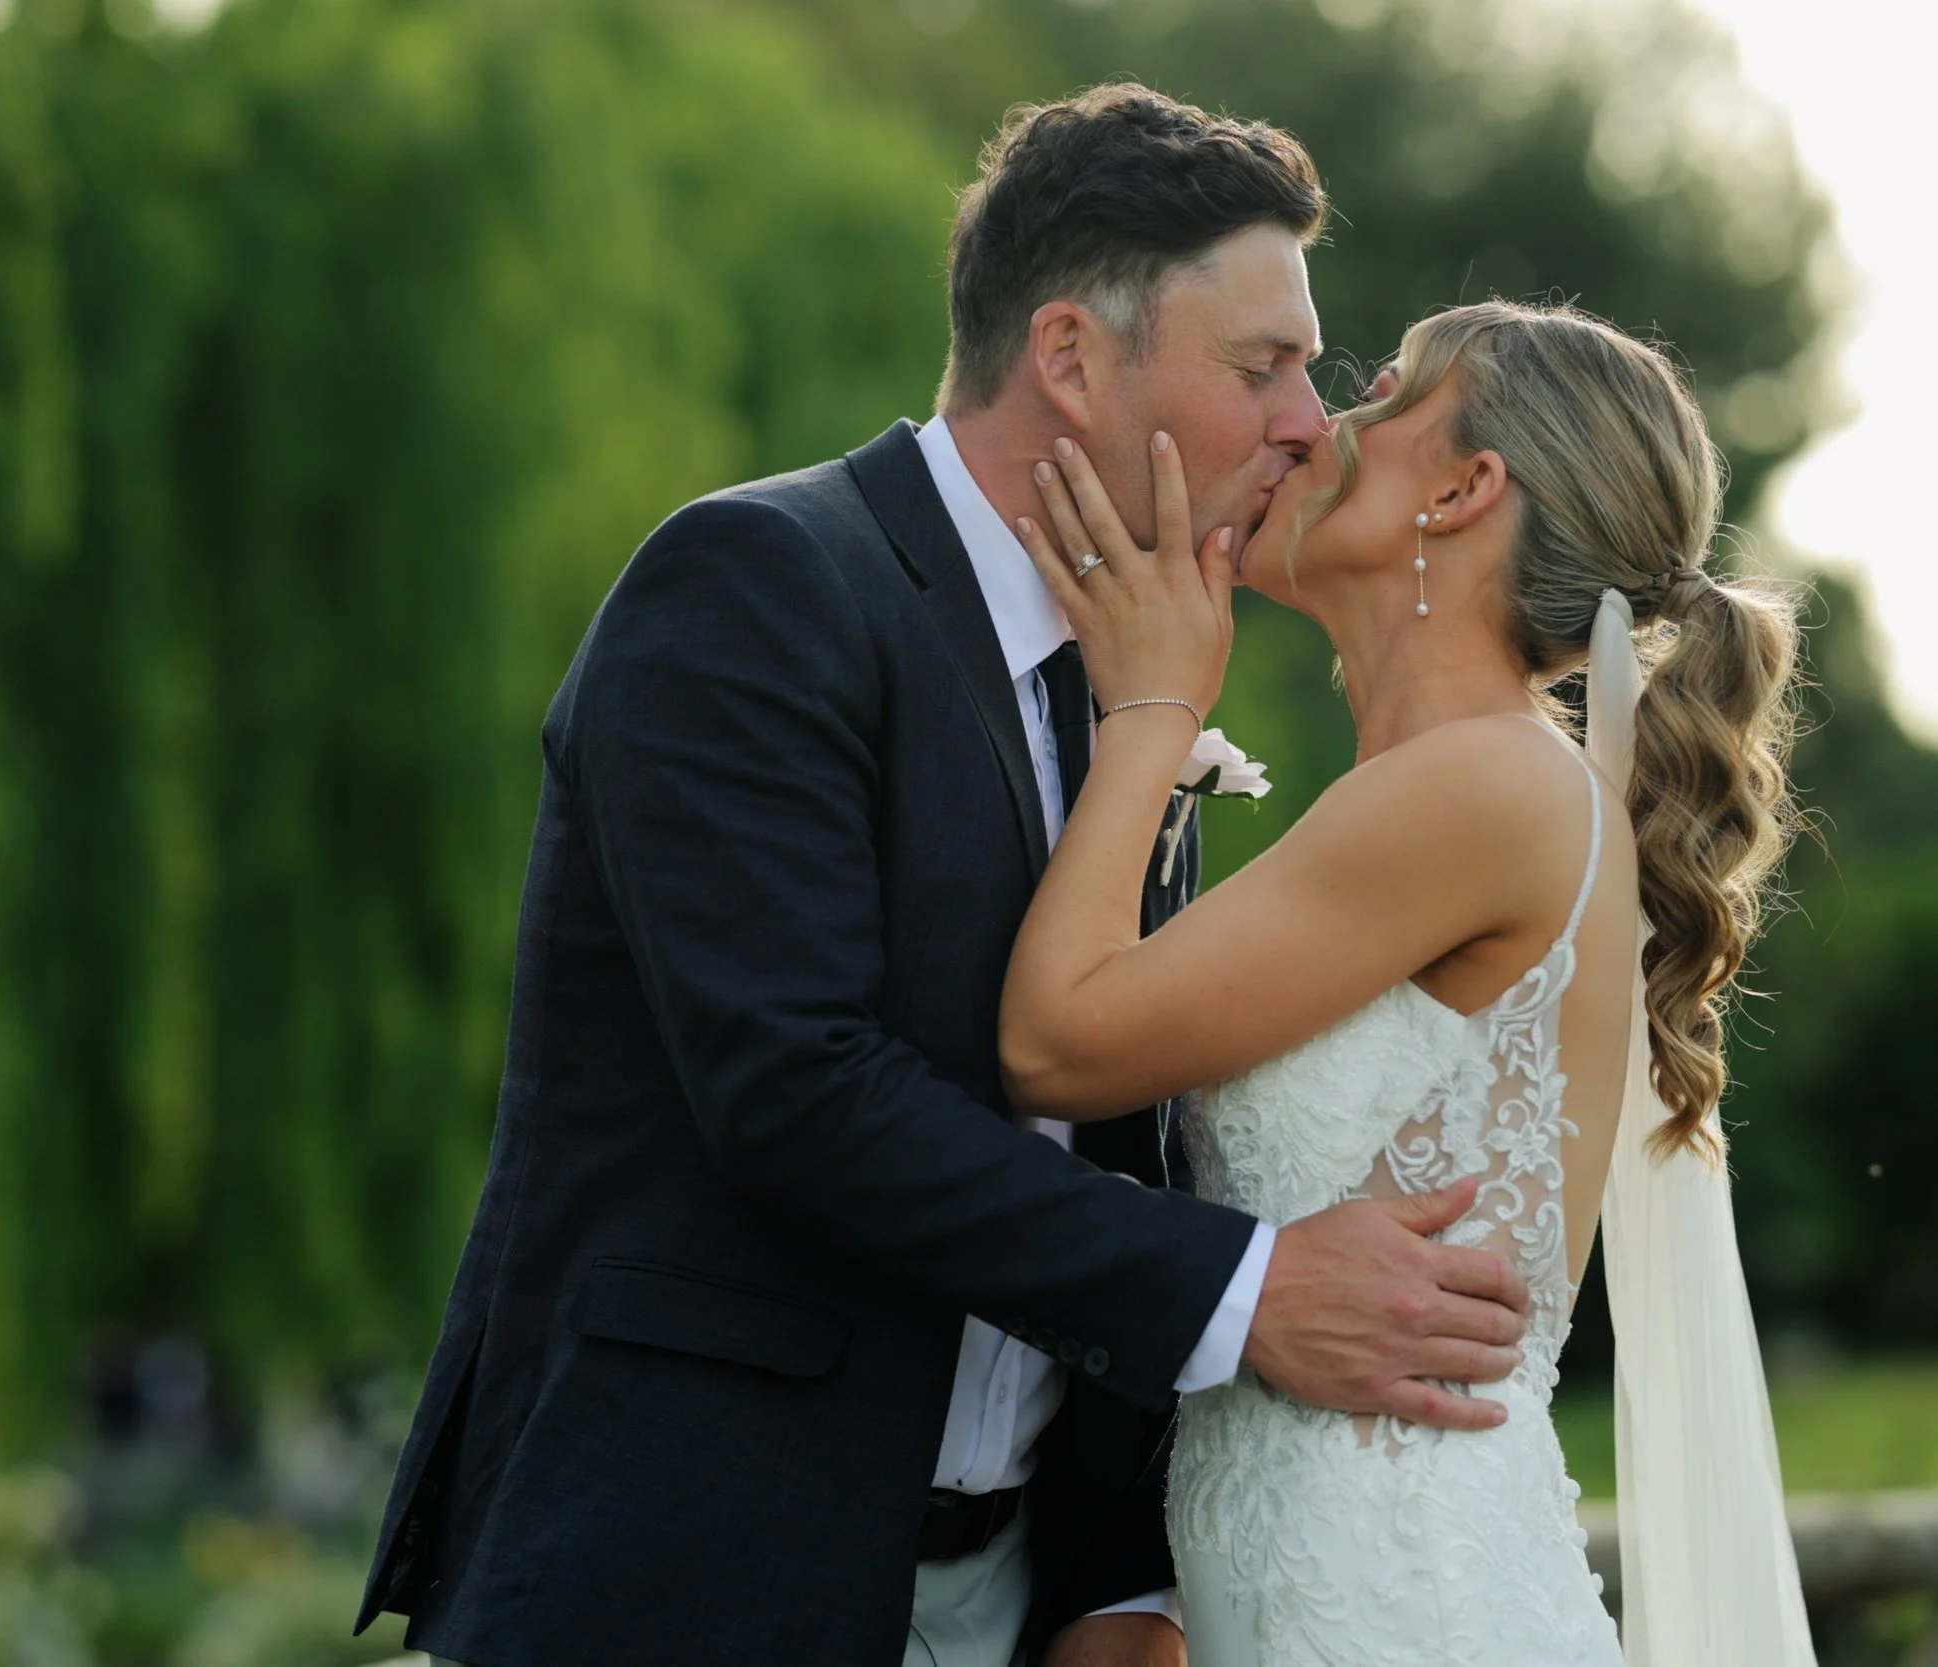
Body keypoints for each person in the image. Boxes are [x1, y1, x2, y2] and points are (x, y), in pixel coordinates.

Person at [357, 85, 1535, 1667]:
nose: (1310, 419)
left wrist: (1122, 1577)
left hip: (1011, 1606)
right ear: (1068, 356)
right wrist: (1248, 1295)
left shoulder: (1138, 681)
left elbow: (1115, 1133)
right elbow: (795, 1088)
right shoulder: (757, 587)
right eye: (1261, 366)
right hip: (693, 1576)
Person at [1000, 299, 1813, 1664]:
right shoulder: (1458, 786)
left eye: (1382, 395)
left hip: (1406, 1607)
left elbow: (1056, 1043)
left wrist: (1150, 711)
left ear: (1464, 487)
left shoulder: (1481, 786)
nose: (1322, 426)